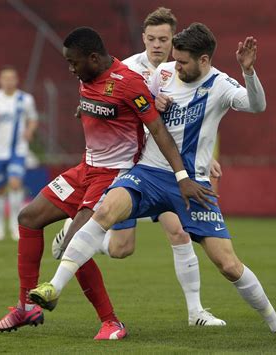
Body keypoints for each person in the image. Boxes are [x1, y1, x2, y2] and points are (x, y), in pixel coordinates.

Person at [30, 23, 276, 344]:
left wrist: (248, 72)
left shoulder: (220, 84)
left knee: (228, 265)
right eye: (174, 60)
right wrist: (101, 108)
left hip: (193, 184)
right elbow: (130, 98)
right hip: (148, 173)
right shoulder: (161, 73)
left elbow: (257, 105)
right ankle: (54, 286)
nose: (175, 66)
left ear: (204, 61)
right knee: (104, 212)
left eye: (183, 62)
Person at [0, 27, 213, 340]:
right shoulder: (87, 75)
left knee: (75, 243)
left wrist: (182, 175)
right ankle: (26, 306)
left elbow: (159, 130)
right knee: (28, 218)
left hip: (114, 177)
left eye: (74, 62)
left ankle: (111, 322)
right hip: (85, 169)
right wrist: (86, 109)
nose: (71, 68)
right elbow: (100, 106)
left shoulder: (129, 83)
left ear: (93, 58)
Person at [52, 7, 225, 327]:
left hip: (167, 167)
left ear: (174, 40)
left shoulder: (183, 71)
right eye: (151, 38)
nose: (157, 45)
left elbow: (192, 122)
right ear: (143, 38)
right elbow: (106, 105)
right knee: (121, 249)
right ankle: (82, 236)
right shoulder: (127, 69)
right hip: (131, 167)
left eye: (164, 39)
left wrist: (203, 158)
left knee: (178, 231)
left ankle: (195, 312)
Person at [0, 66, 38, 241]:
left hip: (17, 151)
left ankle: (14, 224)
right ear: (0, 80)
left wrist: (30, 130)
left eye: (12, 78)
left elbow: (33, 118)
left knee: (16, 184)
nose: (9, 82)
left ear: (16, 80)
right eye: (5, 78)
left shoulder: (25, 99)